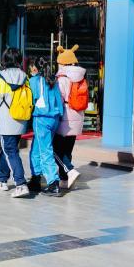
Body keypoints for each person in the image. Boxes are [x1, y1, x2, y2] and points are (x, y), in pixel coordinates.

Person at [0, 48, 31, 198]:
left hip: (6, 123)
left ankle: (21, 184)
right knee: (7, 150)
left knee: (10, 152)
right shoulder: (25, 77)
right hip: (20, 121)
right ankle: (1, 180)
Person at [28, 56, 64, 195]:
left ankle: (53, 183)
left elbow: (31, 100)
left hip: (41, 118)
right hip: (54, 118)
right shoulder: (53, 81)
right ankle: (36, 178)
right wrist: (59, 115)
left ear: (36, 68)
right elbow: (59, 101)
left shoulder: (34, 81)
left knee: (44, 151)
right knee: (37, 148)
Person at [54, 45, 87, 190]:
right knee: (67, 150)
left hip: (65, 117)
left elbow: (58, 100)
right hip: (78, 116)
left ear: (62, 62)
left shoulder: (62, 78)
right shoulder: (80, 76)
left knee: (55, 149)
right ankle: (65, 179)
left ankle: (70, 170)